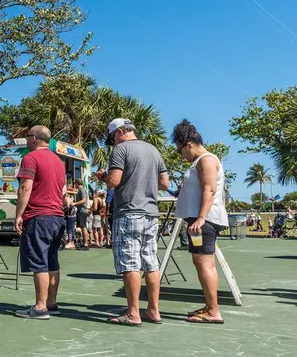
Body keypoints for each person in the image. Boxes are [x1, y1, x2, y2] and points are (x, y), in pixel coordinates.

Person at [102, 118, 168, 326]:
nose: (113, 142)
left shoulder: (121, 150)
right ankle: (153, 310)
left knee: (130, 262)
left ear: (120, 132)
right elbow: (164, 183)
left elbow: (114, 181)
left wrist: (102, 176)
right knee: (150, 262)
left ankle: (133, 313)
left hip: (129, 212)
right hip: (151, 212)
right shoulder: (153, 150)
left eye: (113, 137)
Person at [171, 120, 228, 324]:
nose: (181, 155)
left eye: (179, 151)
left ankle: (213, 311)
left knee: (205, 263)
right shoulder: (198, 163)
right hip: (197, 220)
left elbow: (209, 189)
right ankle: (209, 305)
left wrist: (202, 218)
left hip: (205, 220)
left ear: (188, 143)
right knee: (200, 262)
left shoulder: (206, 160)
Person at [13, 126, 66, 320]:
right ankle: (51, 303)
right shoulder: (59, 162)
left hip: (38, 215)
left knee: (39, 262)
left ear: (33, 138)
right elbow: (62, 191)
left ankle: (40, 307)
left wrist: (19, 214)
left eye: (27, 137)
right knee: (52, 260)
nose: (26, 140)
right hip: (57, 217)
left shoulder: (31, 158)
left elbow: (25, 187)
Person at [73, 179, 90, 249]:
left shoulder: (82, 190)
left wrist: (75, 203)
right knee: (82, 227)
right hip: (82, 210)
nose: (74, 185)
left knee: (83, 227)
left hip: (83, 210)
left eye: (75, 184)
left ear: (77, 183)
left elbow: (84, 200)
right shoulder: (80, 190)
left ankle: (85, 244)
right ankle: (84, 243)